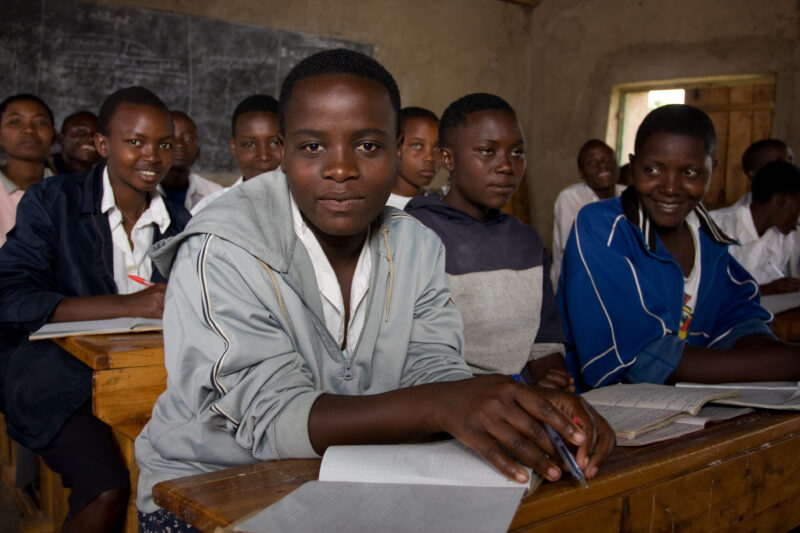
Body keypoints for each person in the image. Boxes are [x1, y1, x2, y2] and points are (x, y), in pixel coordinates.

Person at [135, 49, 613, 530]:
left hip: (350, 473)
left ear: (399, 147)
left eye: (367, 146)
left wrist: (525, 410)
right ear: (281, 150)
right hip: (210, 487)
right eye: (312, 147)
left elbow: (433, 366)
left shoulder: (417, 243)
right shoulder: (223, 246)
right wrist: (438, 406)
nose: (340, 169)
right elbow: (272, 419)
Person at [0, 86, 190, 533]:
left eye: (164, 144)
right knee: (106, 488)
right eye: (135, 142)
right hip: (59, 378)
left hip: (153, 379)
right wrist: (128, 305)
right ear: (103, 145)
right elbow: (11, 296)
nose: (152, 155)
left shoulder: (182, 224)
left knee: (191, 478)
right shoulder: (54, 201)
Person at [558, 104, 800, 391]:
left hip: (686, 404)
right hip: (607, 410)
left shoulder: (709, 239)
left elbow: (739, 318)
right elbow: (641, 358)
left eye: (690, 172)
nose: (670, 187)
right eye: (653, 169)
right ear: (633, 167)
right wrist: (784, 363)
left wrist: (769, 354)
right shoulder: (602, 228)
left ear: (713, 169)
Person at [406, 93, 572, 390]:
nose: (507, 166)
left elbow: (544, 343)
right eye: (486, 151)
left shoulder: (527, 242)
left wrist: (551, 378)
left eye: (517, 152)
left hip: (519, 397)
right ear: (448, 158)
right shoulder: (416, 233)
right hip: (447, 400)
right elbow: (408, 355)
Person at [711, 160, 800, 294]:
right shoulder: (718, 226)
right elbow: (705, 291)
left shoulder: (782, 239)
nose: (798, 217)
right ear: (782, 199)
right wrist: (765, 289)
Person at [551, 139, 625, 288]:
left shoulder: (629, 195)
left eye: (607, 158)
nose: (603, 165)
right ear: (581, 173)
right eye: (592, 162)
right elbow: (577, 251)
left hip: (615, 284)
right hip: (575, 285)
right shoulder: (570, 198)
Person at [189, 94, 281, 213]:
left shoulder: (307, 208)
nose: (263, 156)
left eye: (275, 143)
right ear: (233, 146)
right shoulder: (210, 210)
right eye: (249, 145)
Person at [0, 93, 55, 246]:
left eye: (40, 123)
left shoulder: (70, 193)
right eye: (15, 121)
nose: (29, 130)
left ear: (54, 135)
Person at [158, 110, 222, 210]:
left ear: (198, 151)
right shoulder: (142, 193)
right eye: (171, 137)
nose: (179, 144)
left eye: (189, 139)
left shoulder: (216, 194)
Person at [386, 106, 439, 209]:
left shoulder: (440, 205)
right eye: (417, 146)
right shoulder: (375, 209)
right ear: (395, 146)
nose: (430, 157)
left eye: (437, 147)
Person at [732, 139, 795, 207]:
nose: (789, 169)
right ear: (754, 175)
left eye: (790, 161)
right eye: (779, 164)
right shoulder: (731, 216)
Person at [49, 111, 100, 175]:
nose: (91, 138)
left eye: (97, 134)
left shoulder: (103, 177)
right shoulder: (42, 172)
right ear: (60, 139)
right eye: (81, 132)